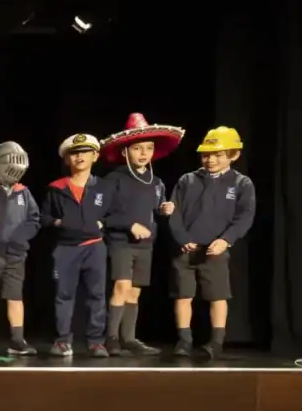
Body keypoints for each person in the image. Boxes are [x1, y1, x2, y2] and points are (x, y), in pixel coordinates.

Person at [167, 126, 256, 358]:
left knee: (217, 296)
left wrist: (225, 240)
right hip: (186, 249)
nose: (211, 159)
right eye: (207, 154)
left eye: (218, 154)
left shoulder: (241, 183)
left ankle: (216, 343)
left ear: (233, 155)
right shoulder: (188, 180)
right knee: (183, 295)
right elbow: (173, 212)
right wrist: (182, 238)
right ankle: (184, 341)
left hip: (215, 251)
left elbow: (244, 217)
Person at [100, 113, 185, 356]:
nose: (143, 153)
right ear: (126, 152)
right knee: (122, 286)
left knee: (135, 291)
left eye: (148, 148)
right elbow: (103, 216)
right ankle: (112, 338)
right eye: (138, 148)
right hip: (120, 242)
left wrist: (165, 209)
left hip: (146, 244)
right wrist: (129, 225)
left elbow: (156, 207)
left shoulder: (156, 182)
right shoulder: (114, 180)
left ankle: (129, 338)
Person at [41, 133, 111, 358]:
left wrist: (103, 223)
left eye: (85, 152)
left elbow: (116, 214)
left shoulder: (104, 187)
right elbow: (43, 217)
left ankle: (96, 342)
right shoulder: (56, 188)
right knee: (63, 295)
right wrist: (58, 222)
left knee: (97, 295)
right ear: (67, 159)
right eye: (74, 153)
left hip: (95, 247)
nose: (79, 157)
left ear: (95, 156)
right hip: (65, 249)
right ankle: (62, 341)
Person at [0, 141, 41, 356]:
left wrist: (21, 238)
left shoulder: (24, 193)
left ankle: (17, 340)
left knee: (15, 297)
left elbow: (34, 220)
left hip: (15, 254)